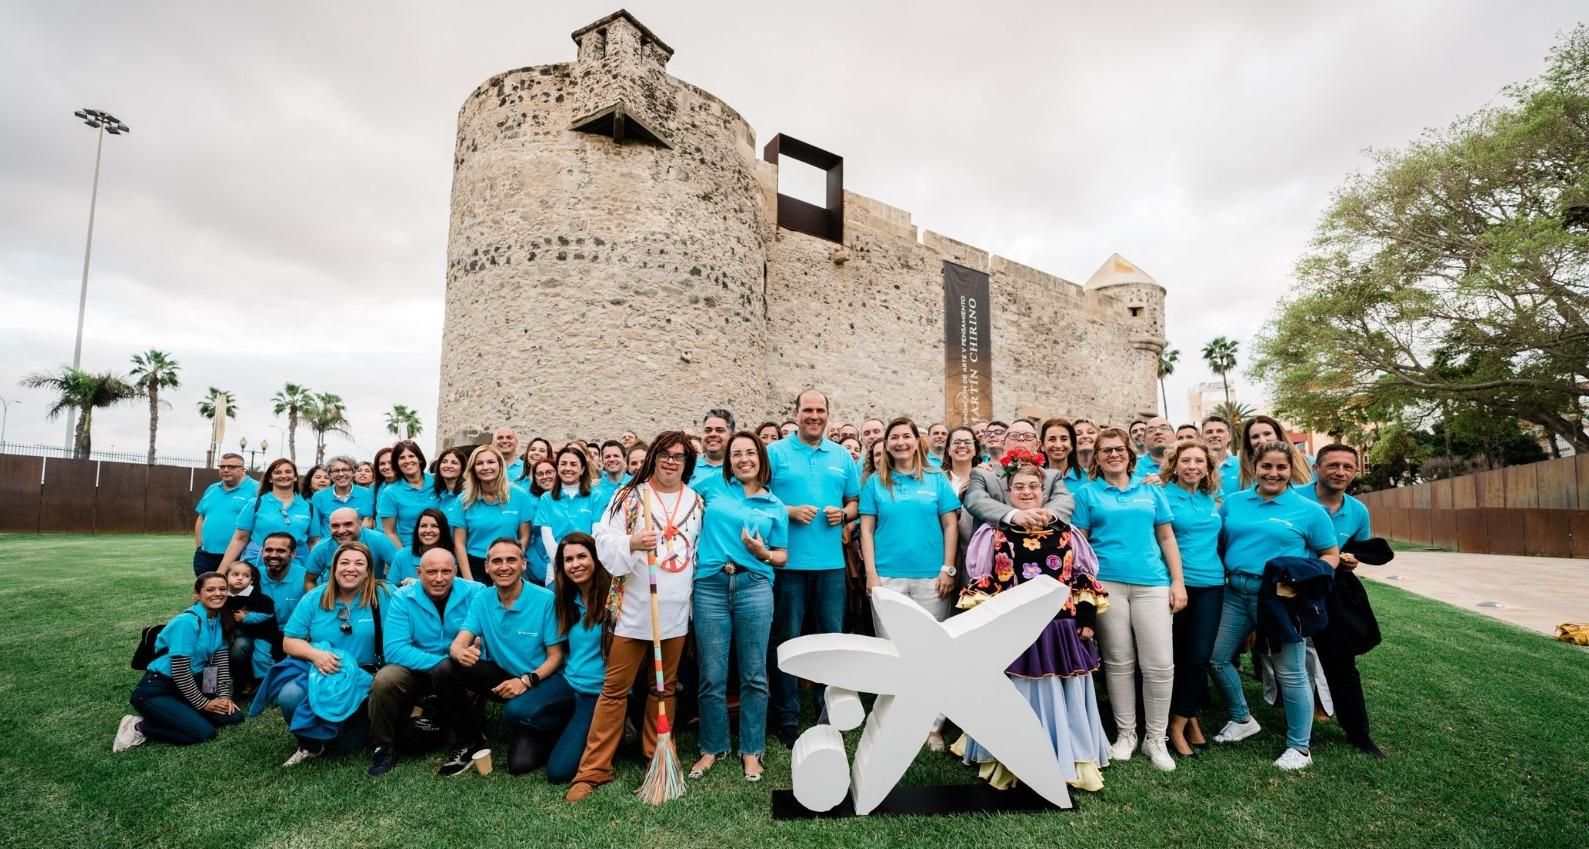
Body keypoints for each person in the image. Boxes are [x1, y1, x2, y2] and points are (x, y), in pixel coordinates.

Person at [952, 457, 1110, 791]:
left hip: (1060, 629)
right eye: (1019, 487)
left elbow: (1081, 576)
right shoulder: (993, 534)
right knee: (1020, 695)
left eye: (1033, 486)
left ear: (1044, 491)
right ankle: (1014, 759)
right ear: (1008, 493)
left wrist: (1086, 618)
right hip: (1015, 630)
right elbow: (986, 581)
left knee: (1061, 691)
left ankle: (1068, 759)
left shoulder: (1066, 533)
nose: (1026, 492)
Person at [566, 433, 704, 802]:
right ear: (653, 458)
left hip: (674, 610)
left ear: (687, 462)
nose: (672, 462)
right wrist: (631, 543)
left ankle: (657, 754)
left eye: (679, 456)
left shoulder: (696, 501)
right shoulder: (629, 495)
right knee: (614, 690)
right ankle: (594, 769)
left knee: (664, 688)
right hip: (633, 607)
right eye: (665, 455)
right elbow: (602, 539)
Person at [1210, 441, 1339, 771]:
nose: (1273, 473)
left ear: (1291, 469)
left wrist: (1304, 582)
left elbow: (1330, 554)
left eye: (1281, 467)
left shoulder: (1309, 511)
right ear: (1255, 466)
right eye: (1267, 466)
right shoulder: (1234, 504)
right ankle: (1242, 718)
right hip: (1235, 593)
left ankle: (1300, 747)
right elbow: (1223, 543)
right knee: (1217, 657)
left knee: (1291, 673)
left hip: (1280, 598)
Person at [1070, 427, 1185, 772]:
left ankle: (1156, 739)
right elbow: (1081, 546)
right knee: (1119, 662)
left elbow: (1166, 538)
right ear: (1097, 457)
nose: (1113, 455)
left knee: (1160, 663)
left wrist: (1177, 582)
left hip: (1151, 582)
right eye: (1105, 450)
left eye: (1119, 449)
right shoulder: (1088, 494)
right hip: (1108, 584)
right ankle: (1126, 734)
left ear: (1129, 454)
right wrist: (1085, 590)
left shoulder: (1150, 490)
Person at [691, 432, 788, 781]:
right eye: (736, 454)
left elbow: (782, 555)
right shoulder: (713, 486)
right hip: (711, 585)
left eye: (750, 452)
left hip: (754, 586)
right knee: (711, 675)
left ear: (761, 458)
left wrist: (763, 553)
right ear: (728, 459)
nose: (743, 458)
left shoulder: (775, 505)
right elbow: (674, 495)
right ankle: (712, 747)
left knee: (754, 675)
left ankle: (751, 750)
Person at [765, 390, 860, 747]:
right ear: (796, 413)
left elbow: (853, 500)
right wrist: (787, 511)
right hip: (788, 564)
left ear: (828, 415)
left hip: (831, 567)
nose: (814, 416)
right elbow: (757, 494)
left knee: (829, 642)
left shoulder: (840, 456)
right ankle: (787, 719)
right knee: (787, 642)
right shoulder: (775, 453)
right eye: (808, 410)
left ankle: (827, 713)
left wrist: (845, 514)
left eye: (820, 410)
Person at [860, 418, 960, 750]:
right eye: (894, 438)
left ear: (917, 441)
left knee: (933, 652)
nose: (900, 442)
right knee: (894, 653)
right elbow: (866, 530)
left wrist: (948, 568)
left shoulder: (936, 479)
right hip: (888, 577)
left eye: (906, 436)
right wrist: (871, 574)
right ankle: (895, 720)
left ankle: (932, 726)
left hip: (932, 578)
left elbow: (949, 524)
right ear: (886, 444)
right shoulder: (876, 482)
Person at [430, 538, 567, 776]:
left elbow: (556, 658)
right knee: (445, 669)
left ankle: (552, 723)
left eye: (511, 560)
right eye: (497, 561)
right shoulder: (483, 598)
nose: (504, 566)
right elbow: (459, 640)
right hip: (504, 676)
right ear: (487, 567)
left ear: (523, 564)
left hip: (540, 680)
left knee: (519, 764)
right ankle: (471, 739)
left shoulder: (545, 600)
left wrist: (526, 681)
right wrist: (460, 652)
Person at [268, 541, 389, 766]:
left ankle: (344, 726)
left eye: (359, 563)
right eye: (343, 562)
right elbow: (289, 641)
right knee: (290, 695)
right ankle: (309, 743)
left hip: (366, 676)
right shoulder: (315, 597)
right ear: (333, 568)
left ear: (368, 571)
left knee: (348, 745)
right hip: (323, 669)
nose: (350, 568)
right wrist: (316, 655)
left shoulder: (384, 595)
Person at [1298, 443, 1384, 758]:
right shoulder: (1295, 499)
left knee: (1342, 664)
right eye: (1333, 465)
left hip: (1334, 593)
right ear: (1317, 468)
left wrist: (1351, 560)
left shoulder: (1358, 511)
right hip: (1296, 590)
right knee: (1296, 665)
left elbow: (1359, 549)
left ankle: (1358, 732)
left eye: (1347, 467)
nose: (1340, 472)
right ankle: (1301, 730)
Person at [367, 547, 483, 777]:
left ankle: (462, 733)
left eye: (446, 572)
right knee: (385, 679)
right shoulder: (403, 597)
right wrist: (447, 665)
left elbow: (489, 638)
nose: (439, 578)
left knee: (448, 736)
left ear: (456, 571)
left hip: (462, 673)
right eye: (431, 572)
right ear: (419, 572)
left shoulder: (476, 592)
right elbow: (394, 650)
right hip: (419, 670)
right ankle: (384, 744)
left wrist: (471, 671)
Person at [115, 572, 244, 751]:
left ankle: (181, 712)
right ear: (197, 594)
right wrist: (204, 704)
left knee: (233, 716)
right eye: (210, 589)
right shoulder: (187, 622)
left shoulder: (219, 619)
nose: (218, 593)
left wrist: (223, 696)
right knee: (203, 733)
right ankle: (138, 726)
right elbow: (180, 671)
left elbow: (219, 662)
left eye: (222, 589)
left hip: (192, 685)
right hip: (159, 689)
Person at [1160, 440, 1225, 759]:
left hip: (1212, 584)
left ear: (1208, 468)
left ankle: (1181, 720)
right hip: (1176, 585)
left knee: (1199, 656)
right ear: (1174, 464)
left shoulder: (1211, 499)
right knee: (1173, 656)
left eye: (1200, 461)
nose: (1193, 466)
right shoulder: (1161, 494)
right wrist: (1175, 581)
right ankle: (1183, 722)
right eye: (1186, 460)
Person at [542, 533, 614, 783]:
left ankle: (610, 727)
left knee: (558, 772)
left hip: (600, 691)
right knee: (515, 711)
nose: (575, 564)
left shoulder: (614, 595)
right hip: (570, 682)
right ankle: (573, 728)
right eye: (568, 560)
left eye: (582, 556)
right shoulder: (561, 597)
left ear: (595, 558)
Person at [962, 419, 1075, 533]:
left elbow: (1064, 500)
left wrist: (1045, 515)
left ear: (1037, 445)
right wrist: (1014, 515)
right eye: (1014, 436)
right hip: (995, 546)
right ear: (1003, 444)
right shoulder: (983, 474)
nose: (1021, 439)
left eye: (1028, 436)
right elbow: (975, 499)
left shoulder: (1052, 476)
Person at [447, 445, 531, 583]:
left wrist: (514, 560)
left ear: (500, 465)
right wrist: (469, 580)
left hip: (509, 564)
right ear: (473, 469)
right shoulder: (464, 500)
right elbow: (459, 543)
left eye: (491, 462)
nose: (486, 467)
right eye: (479, 463)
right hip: (475, 565)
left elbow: (525, 536)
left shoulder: (519, 495)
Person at [220, 458, 313, 571]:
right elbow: (239, 539)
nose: (283, 475)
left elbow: (313, 542)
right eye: (277, 472)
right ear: (270, 478)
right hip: (257, 565)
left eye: (288, 472)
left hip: (297, 566)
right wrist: (222, 570)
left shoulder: (308, 506)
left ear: (295, 477)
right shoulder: (255, 504)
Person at [532, 445, 599, 584]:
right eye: (563, 464)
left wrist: (582, 560)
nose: (567, 468)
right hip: (557, 567)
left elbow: (597, 532)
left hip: (587, 565)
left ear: (582, 469)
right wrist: (562, 561)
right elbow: (547, 535)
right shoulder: (547, 498)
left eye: (573, 464)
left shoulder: (596, 496)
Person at [192, 453, 260, 575]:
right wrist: (199, 547)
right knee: (207, 591)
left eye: (231, 467)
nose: (226, 470)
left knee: (236, 593)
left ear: (243, 469)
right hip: (206, 555)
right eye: (222, 466)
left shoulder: (257, 489)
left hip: (239, 556)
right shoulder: (212, 489)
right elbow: (201, 517)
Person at [253, 533, 308, 681]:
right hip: (263, 633)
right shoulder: (252, 576)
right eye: (268, 550)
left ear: (293, 554)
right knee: (242, 646)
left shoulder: (306, 578)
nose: (273, 555)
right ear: (262, 552)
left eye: (281, 551)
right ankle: (253, 681)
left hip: (295, 635)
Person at [305, 507, 397, 588]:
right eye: (335, 526)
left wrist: (386, 594)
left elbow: (399, 566)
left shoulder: (377, 540)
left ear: (360, 524)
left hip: (372, 594)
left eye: (348, 524)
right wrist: (320, 603)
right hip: (335, 596)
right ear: (329, 527)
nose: (341, 530)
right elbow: (309, 581)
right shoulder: (322, 547)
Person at [221, 559, 275, 696]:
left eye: (245, 576)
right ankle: (224, 685)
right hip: (232, 632)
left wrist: (246, 618)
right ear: (226, 577)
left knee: (261, 657)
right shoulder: (222, 595)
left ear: (251, 580)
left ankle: (266, 683)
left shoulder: (258, 597)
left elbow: (268, 614)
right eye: (235, 574)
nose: (240, 578)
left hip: (260, 633)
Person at [378, 440, 439, 551]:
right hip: (410, 550)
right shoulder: (390, 492)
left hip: (441, 550)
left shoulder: (437, 482)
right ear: (396, 463)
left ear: (419, 459)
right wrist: (404, 556)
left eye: (411, 456)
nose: (407, 461)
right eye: (402, 458)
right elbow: (389, 532)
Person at [312, 456, 376, 543]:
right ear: (330, 475)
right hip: (330, 548)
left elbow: (368, 523)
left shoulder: (367, 494)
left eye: (345, 470)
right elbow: (315, 533)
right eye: (336, 471)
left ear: (353, 472)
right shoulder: (319, 497)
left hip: (359, 547)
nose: (341, 474)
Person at [1238, 415, 1312, 489]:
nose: (1262, 440)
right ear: (1248, 443)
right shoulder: (1241, 471)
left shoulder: (1308, 463)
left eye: (1267, 434)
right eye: (1255, 437)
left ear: (1279, 436)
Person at [388, 508, 453, 587]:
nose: (428, 530)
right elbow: (391, 589)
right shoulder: (402, 556)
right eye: (423, 526)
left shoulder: (452, 557)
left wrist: (419, 584)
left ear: (443, 530)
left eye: (434, 526)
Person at [691, 409, 734, 503]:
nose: (713, 434)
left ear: (731, 436)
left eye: (719, 430)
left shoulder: (738, 469)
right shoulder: (688, 466)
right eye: (708, 430)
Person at [1040, 417, 1087, 493]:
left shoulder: (1089, 478)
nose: (1058, 445)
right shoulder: (1035, 477)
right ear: (1042, 445)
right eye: (1051, 439)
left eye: (1064, 439)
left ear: (1072, 445)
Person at [1200, 414, 1241, 494]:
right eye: (1209, 432)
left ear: (1229, 437)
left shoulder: (1242, 465)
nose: (1214, 435)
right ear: (1201, 438)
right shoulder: (1194, 467)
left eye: (1220, 431)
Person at [591, 440, 630, 515]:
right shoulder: (593, 488)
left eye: (616, 456)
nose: (612, 459)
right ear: (602, 461)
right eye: (607, 456)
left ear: (624, 459)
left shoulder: (634, 484)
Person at [1132, 416, 1175, 483]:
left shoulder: (1189, 464)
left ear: (1175, 436)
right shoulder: (1132, 469)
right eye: (1151, 430)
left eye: (1163, 428)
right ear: (1144, 440)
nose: (1158, 432)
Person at [431, 447, 470, 513]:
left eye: (454, 463)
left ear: (462, 469)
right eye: (444, 462)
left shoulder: (466, 495)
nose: (448, 466)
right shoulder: (438, 493)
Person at [943, 426, 978, 493]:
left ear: (975, 450)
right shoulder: (939, 479)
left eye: (968, 442)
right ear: (948, 450)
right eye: (956, 442)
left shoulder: (984, 477)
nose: (962, 446)